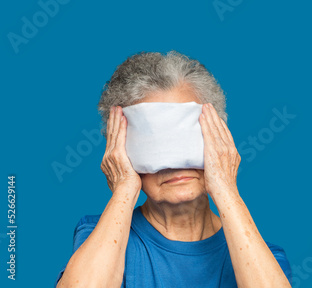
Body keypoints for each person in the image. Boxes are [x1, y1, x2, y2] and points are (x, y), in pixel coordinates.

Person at [55, 51, 292, 287]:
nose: (173, 163)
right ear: (120, 152)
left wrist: (225, 187)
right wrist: (124, 189)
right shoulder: (99, 238)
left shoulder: (264, 260)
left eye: (187, 139)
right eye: (151, 144)